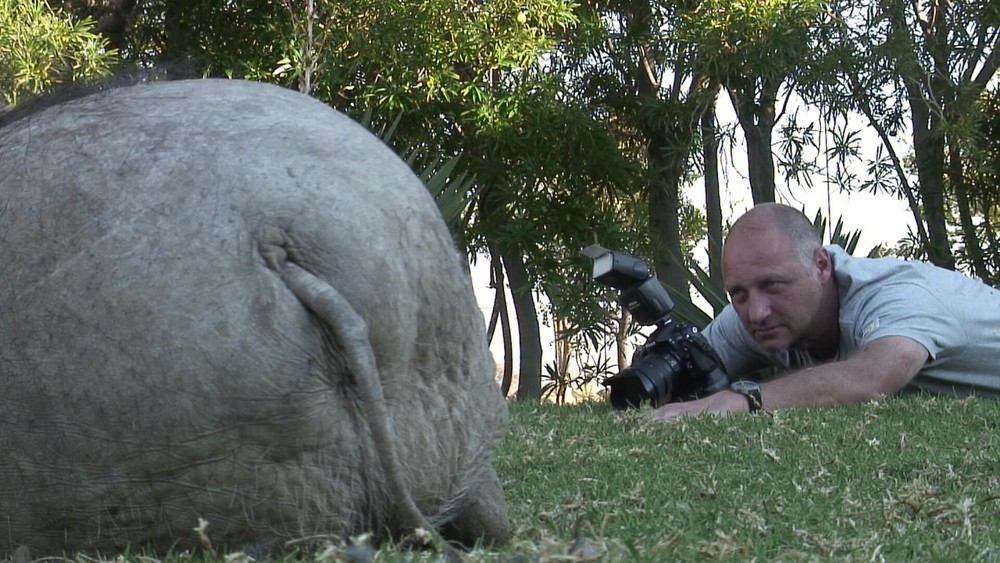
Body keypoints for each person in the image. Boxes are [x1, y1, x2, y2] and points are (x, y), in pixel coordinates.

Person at [653, 203, 1000, 421]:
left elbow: (870, 380)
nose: (757, 313)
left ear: (820, 266)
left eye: (773, 285)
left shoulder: (898, 298)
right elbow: (689, 366)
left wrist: (743, 402)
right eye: (739, 294)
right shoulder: (757, 315)